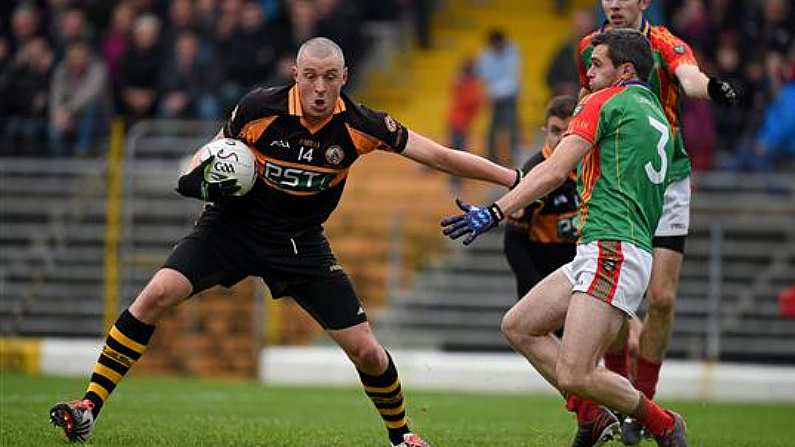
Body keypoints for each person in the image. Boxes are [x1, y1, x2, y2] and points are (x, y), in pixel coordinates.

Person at [49, 37, 522, 447]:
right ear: (296, 73)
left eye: (330, 77)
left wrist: (513, 179)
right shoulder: (258, 107)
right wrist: (195, 177)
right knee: (156, 294)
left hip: (300, 244)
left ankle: (402, 436)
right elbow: (213, 148)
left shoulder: (362, 125)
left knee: (367, 351)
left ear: (344, 77)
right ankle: (89, 406)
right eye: (311, 76)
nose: (319, 88)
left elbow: (438, 153)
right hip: (230, 226)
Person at [442, 29, 687, 447]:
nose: (587, 73)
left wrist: (496, 210)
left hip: (612, 246)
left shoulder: (603, 101)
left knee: (575, 373)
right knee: (519, 326)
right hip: (611, 246)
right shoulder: (655, 112)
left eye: (597, 64)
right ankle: (593, 416)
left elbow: (555, 169)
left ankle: (664, 423)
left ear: (624, 70)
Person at [576, 1, 738, 442]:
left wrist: (712, 88)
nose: (612, 3)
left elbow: (688, 76)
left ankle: (639, 403)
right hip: (618, 180)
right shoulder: (591, 48)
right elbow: (587, 105)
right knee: (611, 300)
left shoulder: (663, 40)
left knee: (661, 298)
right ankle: (623, 396)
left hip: (667, 182)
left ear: (643, 1)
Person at [503, 95, 578, 300]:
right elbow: (513, 243)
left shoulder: (592, 168)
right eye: (555, 131)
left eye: (569, 132)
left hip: (581, 280)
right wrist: (538, 293)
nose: (562, 138)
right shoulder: (532, 175)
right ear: (545, 132)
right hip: (543, 279)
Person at [476, 28, 521, 166]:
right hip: (493, 97)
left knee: (512, 126)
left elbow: (512, 78)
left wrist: (493, 90)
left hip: (509, 96)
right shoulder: (485, 54)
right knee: (492, 128)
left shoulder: (512, 51)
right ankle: (491, 157)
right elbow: (483, 76)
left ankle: (513, 155)